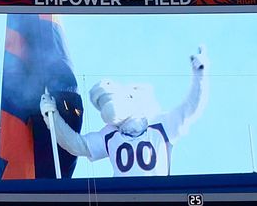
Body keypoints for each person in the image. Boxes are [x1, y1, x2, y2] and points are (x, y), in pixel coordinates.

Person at [40, 44, 209, 176]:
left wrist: (200, 75)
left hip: (157, 198)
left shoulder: (160, 125)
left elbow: (191, 107)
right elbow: (77, 145)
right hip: (124, 200)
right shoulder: (110, 134)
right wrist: (52, 117)